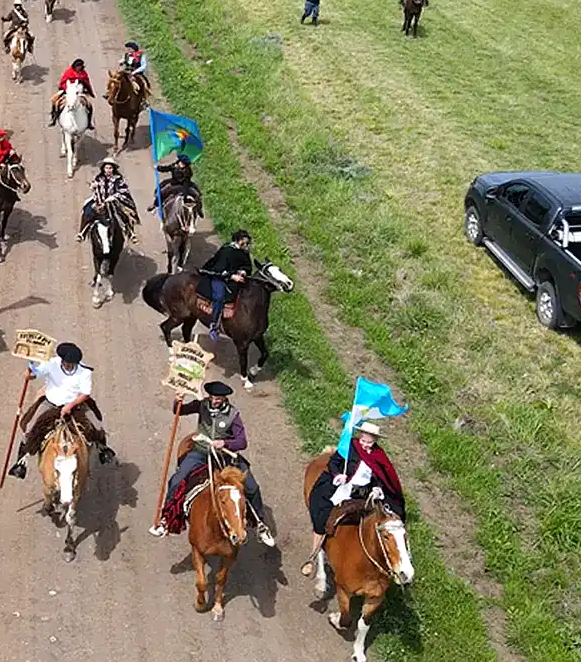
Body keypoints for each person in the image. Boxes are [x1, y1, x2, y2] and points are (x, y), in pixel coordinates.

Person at [151, 381, 275, 546]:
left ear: (225, 398)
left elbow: (242, 442)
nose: (215, 400)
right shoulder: (201, 405)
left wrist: (225, 443)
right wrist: (178, 400)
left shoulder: (233, 414)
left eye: (219, 398)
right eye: (213, 397)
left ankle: (260, 524)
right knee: (176, 479)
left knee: (252, 487)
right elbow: (179, 411)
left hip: (225, 456)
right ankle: (166, 519)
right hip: (200, 452)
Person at [303, 421, 405, 576]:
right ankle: (314, 555)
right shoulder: (350, 446)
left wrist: (378, 488)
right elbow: (333, 463)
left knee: (384, 519)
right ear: (360, 436)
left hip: (363, 494)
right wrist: (338, 475)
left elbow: (380, 476)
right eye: (363, 440)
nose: (365, 444)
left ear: (375, 440)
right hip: (342, 489)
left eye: (369, 442)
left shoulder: (378, 455)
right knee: (322, 515)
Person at [7, 342, 116, 479]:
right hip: (51, 404)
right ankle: (21, 463)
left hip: (77, 406)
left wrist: (70, 406)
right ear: (62, 359)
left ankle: (102, 449)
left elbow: (85, 394)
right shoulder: (52, 363)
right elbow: (35, 374)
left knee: (97, 425)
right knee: (30, 428)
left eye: (72, 363)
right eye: (67, 362)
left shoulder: (84, 371)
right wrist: (29, 374)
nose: (69, 365)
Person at [199, 229, 253, 340]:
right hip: (220, 278)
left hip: (238, 279)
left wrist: (244, 271)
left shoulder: (244, 252)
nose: (246, 245)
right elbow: (219, 268)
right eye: (244, 243)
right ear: (238, 241)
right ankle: (214, 325)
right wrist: (232, 276)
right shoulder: (226, 251)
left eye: (247, 243)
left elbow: (246, 266)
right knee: (219, 297)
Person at [78, 157, 140, 243]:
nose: (108, 170)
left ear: (113, 169)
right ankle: (82, 232)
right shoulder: (98, 178)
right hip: (100, 200)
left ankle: (130, 232)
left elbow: (124, 190)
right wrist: (93, 188)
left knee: (124, 213)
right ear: (103, 168)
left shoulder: (118, 179)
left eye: (110, 168)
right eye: (106, 168)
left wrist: (114, 197)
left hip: (114, 201)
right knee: (87, 210)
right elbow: (95, 190)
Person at [52, 58, 96, 128]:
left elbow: (87, 82)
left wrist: (84, 86)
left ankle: (89, 123)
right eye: (77, 66)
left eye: (80, 66)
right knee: (55, 101)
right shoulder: (69, 72)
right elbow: (63, 81)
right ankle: (54, 118)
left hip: (80, 92)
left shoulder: (83, 73)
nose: (79, 68)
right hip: (68, 91)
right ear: (74, 66)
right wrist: (67, 88)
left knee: (89, 105)